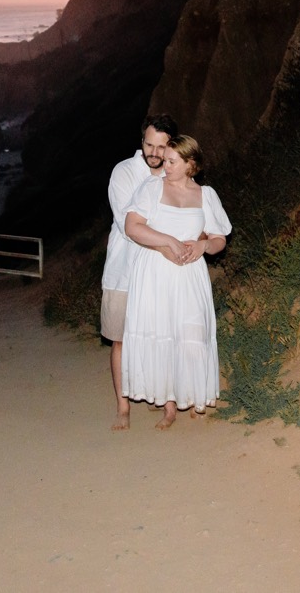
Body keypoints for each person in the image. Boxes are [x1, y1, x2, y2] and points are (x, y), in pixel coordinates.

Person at [120, 134, 230, 429]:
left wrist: (203, 247)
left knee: (192, 333)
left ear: (189, 164)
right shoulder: (152, 188)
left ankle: (195, 395)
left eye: (171, 161)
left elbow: (219, 238)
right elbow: (133, 227)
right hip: (156, 272)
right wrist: (167, 241)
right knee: (163, 333)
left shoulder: (206, 195)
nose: (164, 166)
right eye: (165, 160)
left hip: (190, 275)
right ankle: (169, 405)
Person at [102, 113, 178, 430]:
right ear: (141, 141)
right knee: (120, 341)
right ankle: (123, 407)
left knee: (162, 338)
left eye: (162, 147)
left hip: (161, 273)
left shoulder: (176, 175)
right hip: (122, 271)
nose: (155, 153)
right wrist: (167, 242)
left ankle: (167, 403)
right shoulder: (123, 172)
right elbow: (128, 225)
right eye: (150, 144)